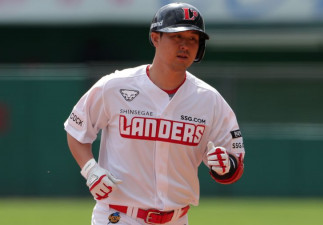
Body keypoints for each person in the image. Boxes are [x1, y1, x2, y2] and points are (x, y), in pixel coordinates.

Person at [64, 2, 245, 225]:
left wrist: (225, 166)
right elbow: (76, 129)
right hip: (119, 216)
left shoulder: (209, 99)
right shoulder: (115, 86)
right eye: (177, 37)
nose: (185, 45)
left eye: (192, 39)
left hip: (177, 218)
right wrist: (90, 169)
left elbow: (233, 165)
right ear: (156, 38)